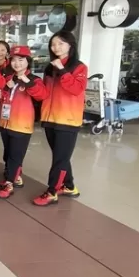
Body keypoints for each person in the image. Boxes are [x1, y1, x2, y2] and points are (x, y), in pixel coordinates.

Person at [34, 31, 87, 207]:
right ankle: (69, 186)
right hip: (50, 118)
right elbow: (45, 92)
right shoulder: (49, 68)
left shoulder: (79, 67)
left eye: (60, 44)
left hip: (68, 120)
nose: (56, 47)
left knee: (60, 159)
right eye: (53, 44)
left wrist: (63, 70)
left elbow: (76, 89)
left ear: (70, 45)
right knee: (61, 156)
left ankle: (52, 192)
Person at [0, 45, 48, 199]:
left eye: (21, 60)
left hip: (22, 125)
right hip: (5, 122)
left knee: (15, 156)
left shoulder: (34, 80)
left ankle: (10, 183)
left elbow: (41, 95)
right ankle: (12, 177)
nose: (17, 63)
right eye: (13, 60)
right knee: (8, 153)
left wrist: (27, 82)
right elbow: (4, 96)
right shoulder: (9, 78)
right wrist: (3, 90)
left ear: (28, 61)